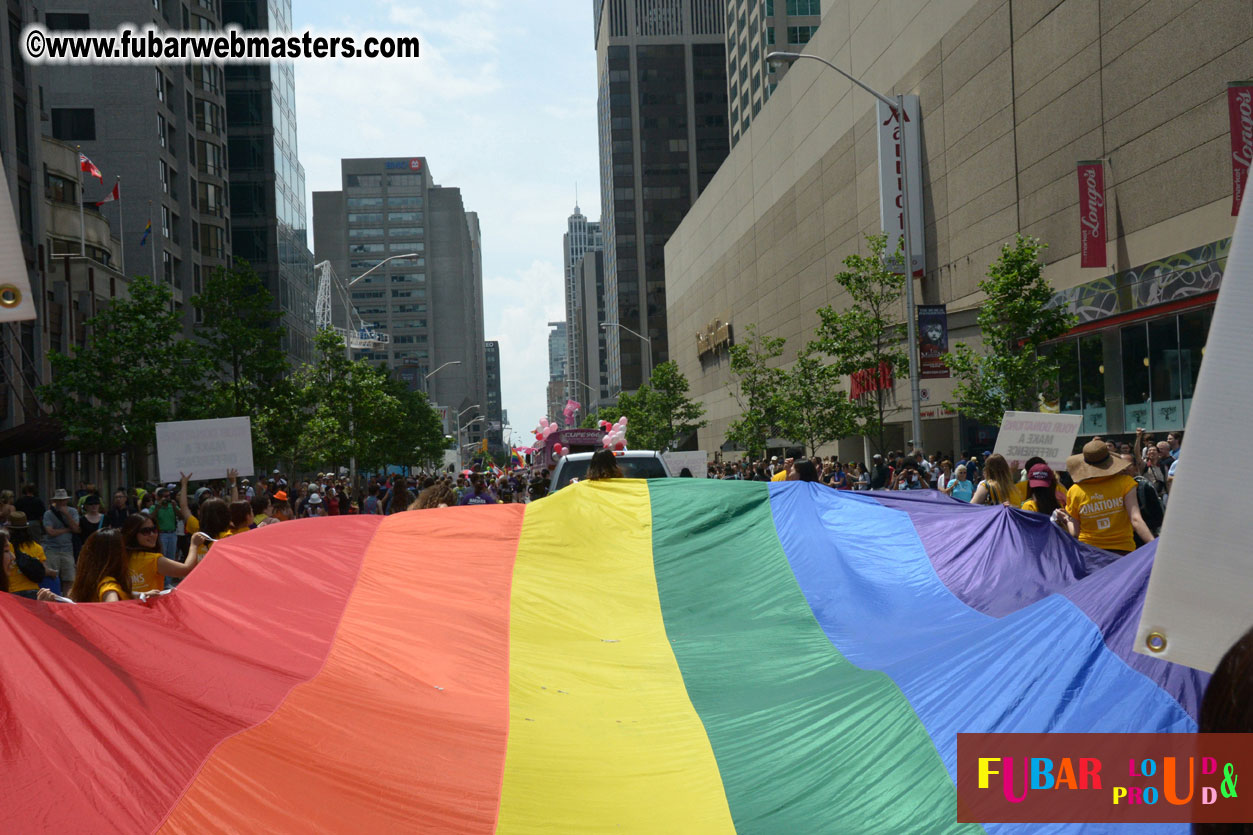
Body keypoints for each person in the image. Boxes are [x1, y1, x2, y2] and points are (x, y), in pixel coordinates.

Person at [1061, 439, 1155, 555]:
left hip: (1090, 553)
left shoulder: (1074, 491)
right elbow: (1136, 520)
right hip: (1123, 551)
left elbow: (1075, 533)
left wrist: (1066, 519)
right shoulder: (1126, 482)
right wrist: (1154, 546)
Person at [121, 513, 201, 593]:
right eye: (146, 531)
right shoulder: (154, 560)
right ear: (132, 534)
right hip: (151, 601)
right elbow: (187, 569)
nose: (152, 534)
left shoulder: (120, 557)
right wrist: (194, 545)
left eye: (154, 529)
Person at [42, 488, 80, 595]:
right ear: (55, 501)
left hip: (67, 549)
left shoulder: (73, 512)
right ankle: (54, 598)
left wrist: (66, 514)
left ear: (67, 500)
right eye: (59, 500)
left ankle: (67, 599)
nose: (61, 502)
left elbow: (76, 529)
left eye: (63, 500)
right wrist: (67, 529)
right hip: (52, 549)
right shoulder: (48, 514)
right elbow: (50, 532)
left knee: (69, 578)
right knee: (53, 576)